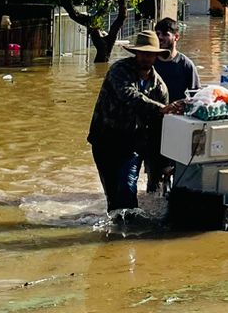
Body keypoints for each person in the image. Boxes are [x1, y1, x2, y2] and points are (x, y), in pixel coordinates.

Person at [86, 29, 183, 212]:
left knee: (128, 188)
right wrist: (160, 108)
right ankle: (115, 233)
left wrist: (163, 164)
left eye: (150, 54)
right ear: (136, 53)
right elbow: (128, 95)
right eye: (143, 53)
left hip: (133, 144)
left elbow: (159, 127)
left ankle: (131, 230)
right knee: (113, 195)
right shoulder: (119, 70)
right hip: (105, 140)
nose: (146, 58)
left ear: (156, 57)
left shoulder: (160, 87)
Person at [148, 16, 201, 194]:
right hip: (153, 124)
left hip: (178, 126)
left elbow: (196, 97)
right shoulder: (150, 62)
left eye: (165, 34)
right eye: (157, 34)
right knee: (153, 171)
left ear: (176, 37)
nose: (160, 38)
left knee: (175, 168)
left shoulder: (186, 65)